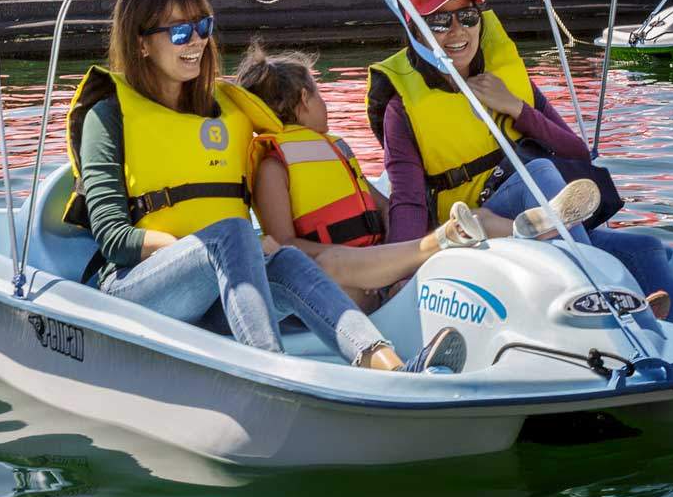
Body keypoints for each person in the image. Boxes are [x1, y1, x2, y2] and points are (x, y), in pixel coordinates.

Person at [64, 0, 460, 372]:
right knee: (233, 235)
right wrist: (202, 250)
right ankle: (273, 371)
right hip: (138, 290)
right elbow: (114, 238)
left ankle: (394, 369)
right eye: (180, 32)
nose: (197, 41)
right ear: (141, 43)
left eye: (203, 27)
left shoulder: (228, 112)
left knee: (287, 260)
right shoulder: (108, 116)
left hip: (219, 293)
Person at [367, 0, 673, 325]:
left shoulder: (505, 78)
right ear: (416, 30)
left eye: (467, 16)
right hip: (472, 229)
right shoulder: (403, 108)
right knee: (539, 172)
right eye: (439, 21)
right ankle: (598, 293)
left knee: (645, 247)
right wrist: (400, 275)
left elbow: (575, 152)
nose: (458, 31)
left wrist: (516, 108)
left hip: (538, 217)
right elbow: (408, 200)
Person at [236, 41, 596, 310]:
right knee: (344, 263)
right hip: (347, 279)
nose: (322, 103)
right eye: (319, 93)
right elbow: (286, 246)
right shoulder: (273, 167)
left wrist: (393, 254)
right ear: (304, 99)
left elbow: (384, 208)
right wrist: (364, 262)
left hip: (382, 263)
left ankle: (528, 229)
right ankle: (464, 238)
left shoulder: (334, 151)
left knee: (475, 219)